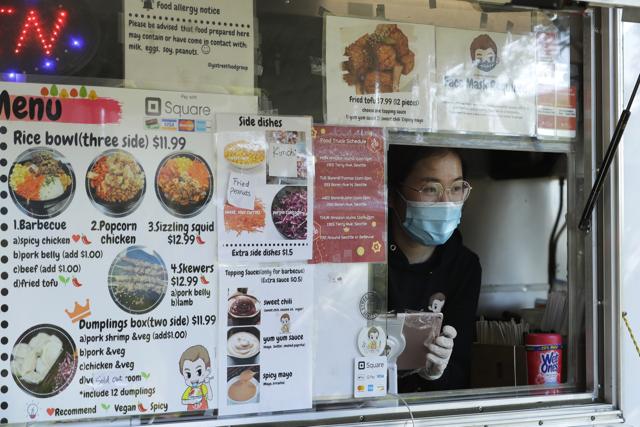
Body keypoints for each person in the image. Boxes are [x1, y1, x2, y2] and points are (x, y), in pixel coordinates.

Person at [388, 145, 481, 392]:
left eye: (456, 188)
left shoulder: (463, 266)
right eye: (431, 189)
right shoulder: (364, 259)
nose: (446, 202)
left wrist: (437, 373)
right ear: (392, 194)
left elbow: (460, 369)